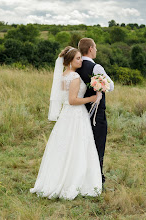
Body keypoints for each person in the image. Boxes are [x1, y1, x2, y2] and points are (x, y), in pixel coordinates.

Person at [30, 46, 102, 200]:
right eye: (77, 58)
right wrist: (92, 98)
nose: (80, 60)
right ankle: (75, 180)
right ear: (69, 61)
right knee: (77, 146)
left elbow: (65, 99)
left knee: (64, 146)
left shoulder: (63, 76)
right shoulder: (75, 77)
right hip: (75, 115)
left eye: (80, 57)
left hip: (65, 115)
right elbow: (72, 100)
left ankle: (57, 177)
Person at [76, 38, 114, 185]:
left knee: (82, 144)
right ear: (91, 49)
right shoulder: (96, 67)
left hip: (79, 111)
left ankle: (82, 176)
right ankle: (96, 178)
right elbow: (110, 86)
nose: (96, 50)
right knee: (97, 144)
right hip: (96, 114)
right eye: (95, 47)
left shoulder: (75, 65)